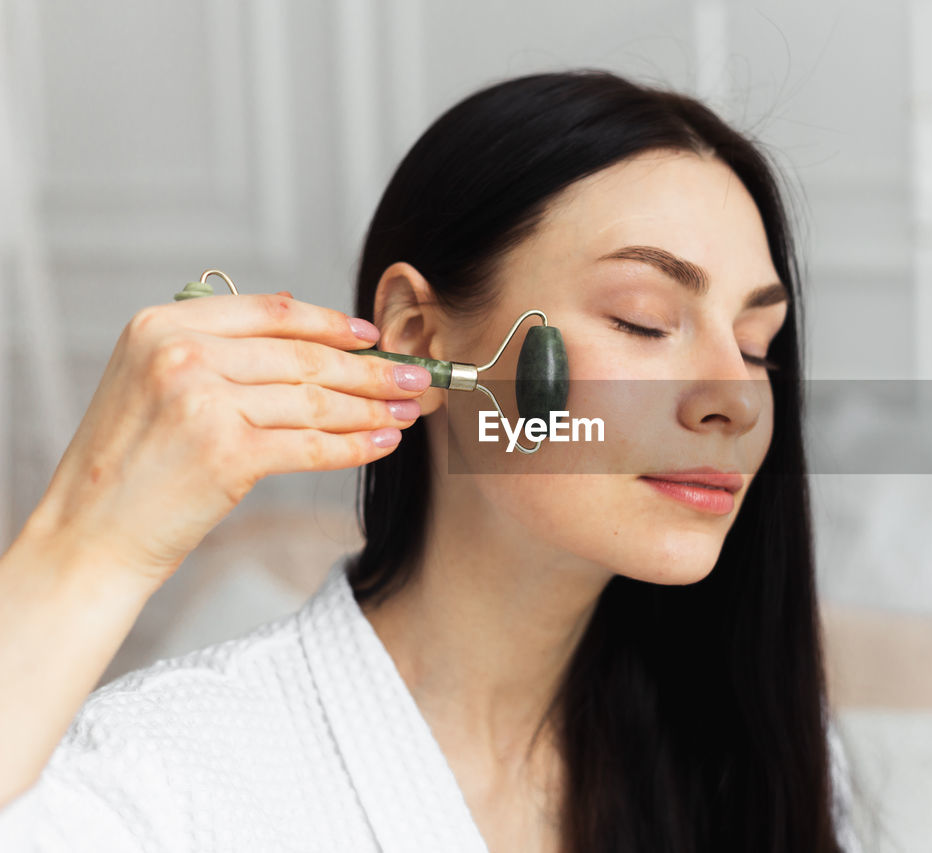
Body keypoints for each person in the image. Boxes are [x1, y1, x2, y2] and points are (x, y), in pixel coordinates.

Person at [0, 69, 863, 852]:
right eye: (642, 318)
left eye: (758, 346)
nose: (737, 398)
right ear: (417, 336)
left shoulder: (761, 758)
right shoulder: (158, 776)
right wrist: (92, 541)